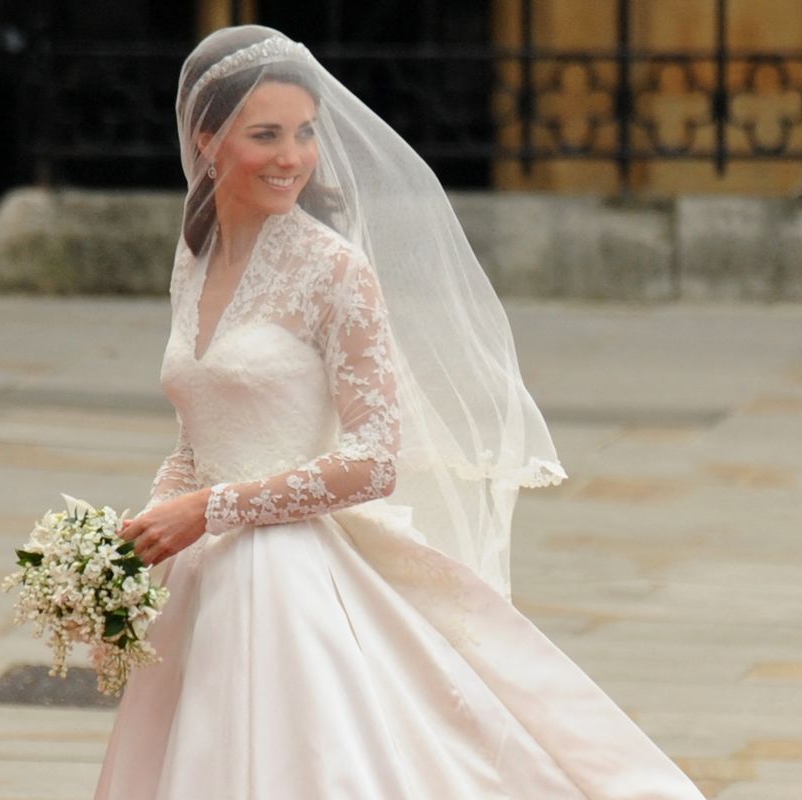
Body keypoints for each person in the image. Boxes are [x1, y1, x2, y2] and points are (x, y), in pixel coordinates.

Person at [95, 25, 706, 799]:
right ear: (208, 141)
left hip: (290, 576)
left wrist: (208, 510)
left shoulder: (333, 271)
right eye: (266, 135)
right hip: (202, 572)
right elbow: (198, 432)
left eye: (306, 133)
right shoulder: (196, 254)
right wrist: (146, 530)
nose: (292, 156)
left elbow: (374, 461)